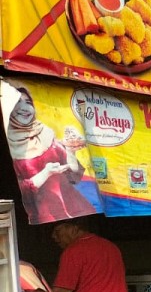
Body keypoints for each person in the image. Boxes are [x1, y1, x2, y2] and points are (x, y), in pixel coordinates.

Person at [4, 85, 98, 224]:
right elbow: (15, 192)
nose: (24, 108)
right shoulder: (9, 143)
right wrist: (45, 173)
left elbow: (74, 174)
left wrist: (70, 151)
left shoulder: (46, 133)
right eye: (17, 102)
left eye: (28, 102)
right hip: (44, 216)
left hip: (75, 209)